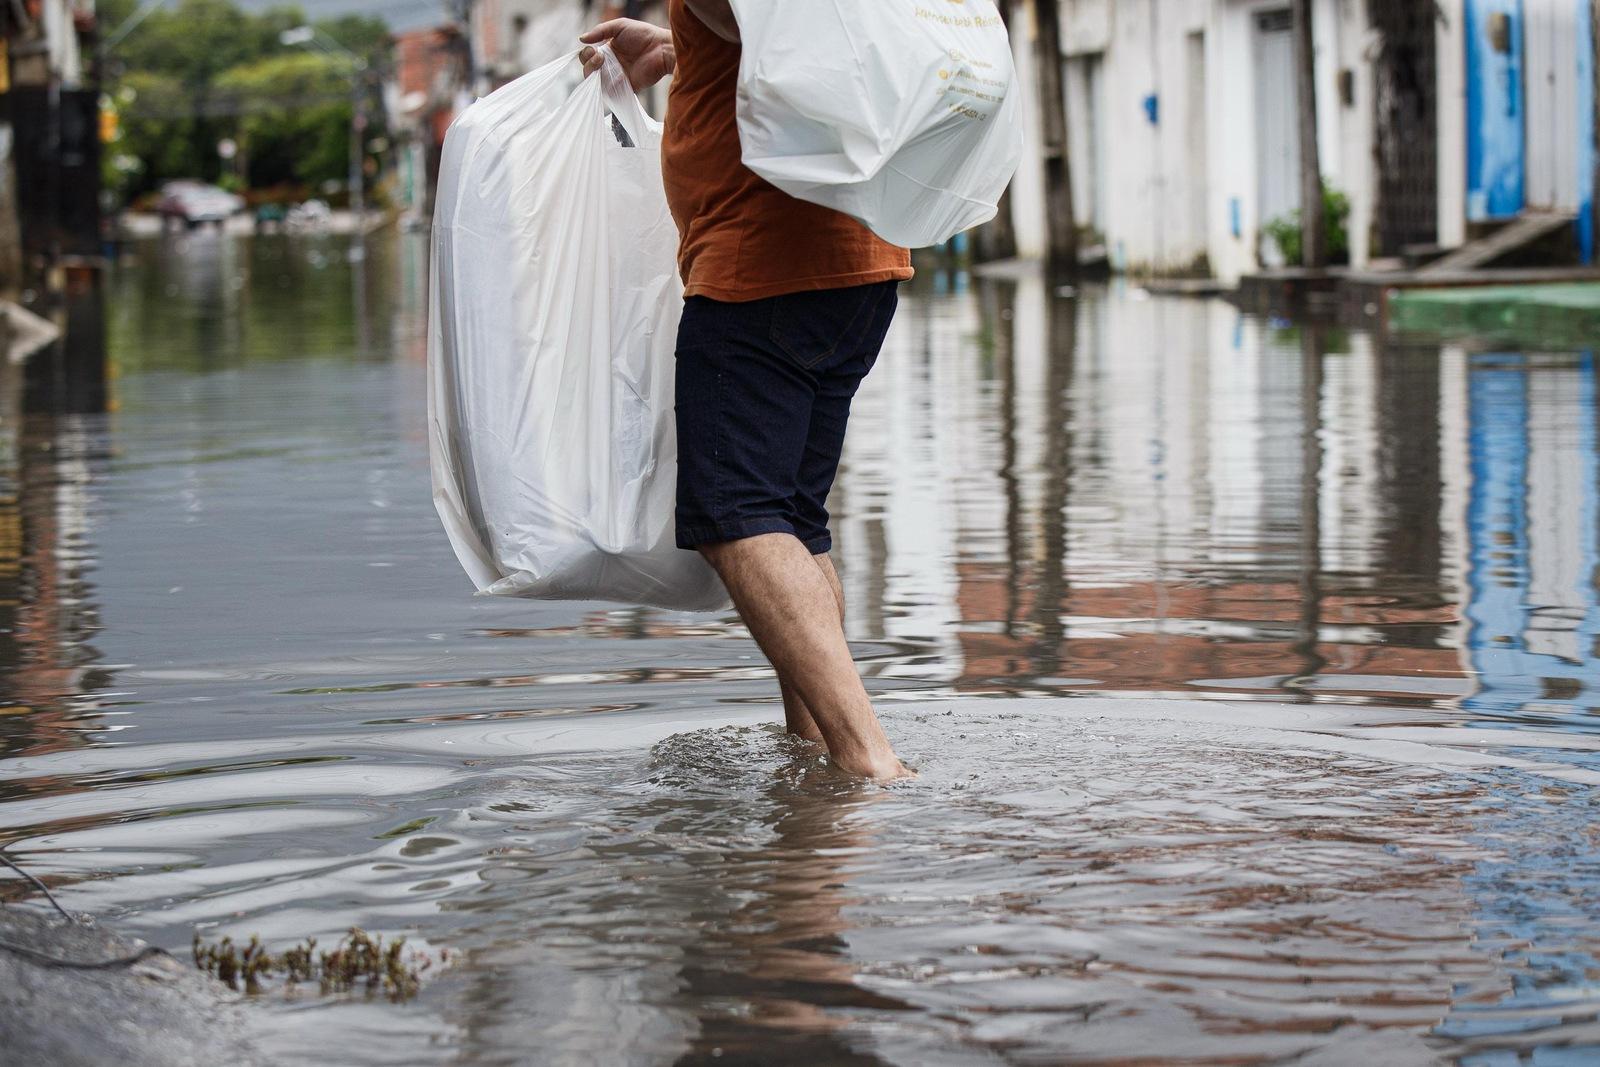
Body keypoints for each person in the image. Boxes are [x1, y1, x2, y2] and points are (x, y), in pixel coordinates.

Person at [580, 1, 912, 780]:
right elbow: (790, 33)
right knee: (791, 518)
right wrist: (681, 45)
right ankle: (816, 756)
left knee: (737, 516)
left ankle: (867, 760)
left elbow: (788, 42)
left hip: (763, 266)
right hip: (853, 256)